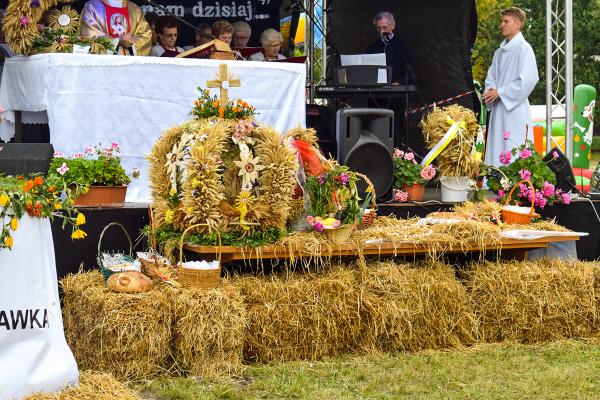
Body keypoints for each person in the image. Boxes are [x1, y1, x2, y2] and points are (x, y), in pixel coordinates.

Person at [483, 7, 539, 167]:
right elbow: (490, 78)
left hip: (514, 110)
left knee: (514, 146)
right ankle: (495, 183)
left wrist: (500, 92)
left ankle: (516, 185)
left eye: (506, 21)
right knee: (496, 148)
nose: (501, 25)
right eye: (502, 21)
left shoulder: (524, 49)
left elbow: (528, 79)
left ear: (518, 24)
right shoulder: (498, 53)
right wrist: (491, 92)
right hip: (498, 109)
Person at [364, 11, 410, 148]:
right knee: (374, 130)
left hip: (396, 96)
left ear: (393, 26)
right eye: (379, 28)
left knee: (396, 131)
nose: (382, 31)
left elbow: (409, 71)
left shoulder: (401, 46)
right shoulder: (371, 48)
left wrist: (399, 83)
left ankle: (397, 158)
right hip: (376, 97)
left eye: (384, 27)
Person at [80, 0, 152, 56]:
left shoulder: (135, 10)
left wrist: (132, 41)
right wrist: (117, 41)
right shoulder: (92, 6)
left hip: (130, 63)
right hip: (104, 63)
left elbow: (145, 35)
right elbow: (88, 35)